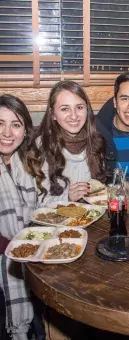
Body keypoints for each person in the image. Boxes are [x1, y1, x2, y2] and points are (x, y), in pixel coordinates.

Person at [27, 80, 106, 204]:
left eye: (79, 107)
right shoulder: (41, 146)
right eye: (65, 109)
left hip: (93, 217)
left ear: (87, 110)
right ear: (53, 114)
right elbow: (36, 202)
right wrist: (67, 198)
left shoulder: (97, 141)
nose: (74, 116)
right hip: (57, 219)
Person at [0, 94, 36, 339]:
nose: (7, 132)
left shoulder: (27, 164)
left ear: (25, 131)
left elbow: (41, 207)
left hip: (29, 250)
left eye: (15, 124)